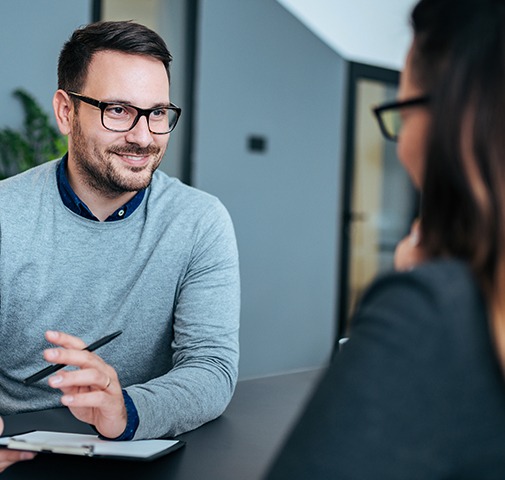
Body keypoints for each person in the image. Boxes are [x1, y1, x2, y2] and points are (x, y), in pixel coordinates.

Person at [265, 0, 505, 478]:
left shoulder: (433, 313)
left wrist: (420, 290)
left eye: (402, 109)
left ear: (453, 120)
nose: (401, 144)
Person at [0, 20, 240, 471]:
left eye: (157, 113)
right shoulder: (4, 215)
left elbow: (211, 368)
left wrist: (126, 409)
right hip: (17, 453)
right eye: (118, 110)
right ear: (66, 111)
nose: (144, 136)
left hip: (138, 449)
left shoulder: (199, 221)